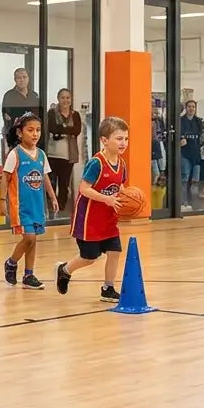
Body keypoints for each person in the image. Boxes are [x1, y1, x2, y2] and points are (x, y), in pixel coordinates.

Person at [56, 116, 128, 303]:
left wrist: (127, 197)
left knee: (115, 252)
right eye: (119, 139)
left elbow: (119, 186)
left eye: (126, 139)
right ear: (104, 140)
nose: (123, 143)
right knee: (89, 257)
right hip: (89, 219)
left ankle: (108, 288)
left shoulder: (122, 164)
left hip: (108, 218)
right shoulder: (96, 163)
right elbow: (84, 188)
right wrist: (106, 199)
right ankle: (65, 270)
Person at [1, 111, 58, 290]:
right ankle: (11, 263)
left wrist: (52, 197)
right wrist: (2, 200)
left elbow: (45, 177)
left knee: (33, 240)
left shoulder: (41, 154)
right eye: (30, 130)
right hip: (20, 206)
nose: (35, 134)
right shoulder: (15, 154)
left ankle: (28, 275)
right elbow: (5, 178)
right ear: (20, 132)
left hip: (37, 206)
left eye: (38, 130)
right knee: (29, 237)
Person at [45, 88, 82, 215]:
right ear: (58, 99)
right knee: (51, 181)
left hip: (68, 155)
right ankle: (50, 206)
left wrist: (61, 131)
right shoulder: (52, 113)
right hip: (52, 154)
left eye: (68, 97)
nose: (65, 100)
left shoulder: (75, 115)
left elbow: (77, 130)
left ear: (71, 99)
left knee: (64, 183)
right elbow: (52, 128)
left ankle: (61, 208)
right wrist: (67, 130)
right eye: (62, 97)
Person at [179, 99, 203, 210]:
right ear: (186, 108)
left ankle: (194, 204)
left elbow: (202, 136)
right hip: (185, 154)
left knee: (195, 180)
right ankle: (183, 202)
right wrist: (180, 140)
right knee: (184, 179)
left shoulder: (198, 121)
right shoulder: (180, 121)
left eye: (193, 107)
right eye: (189, 106)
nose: (191, 108)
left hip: (196, 155)